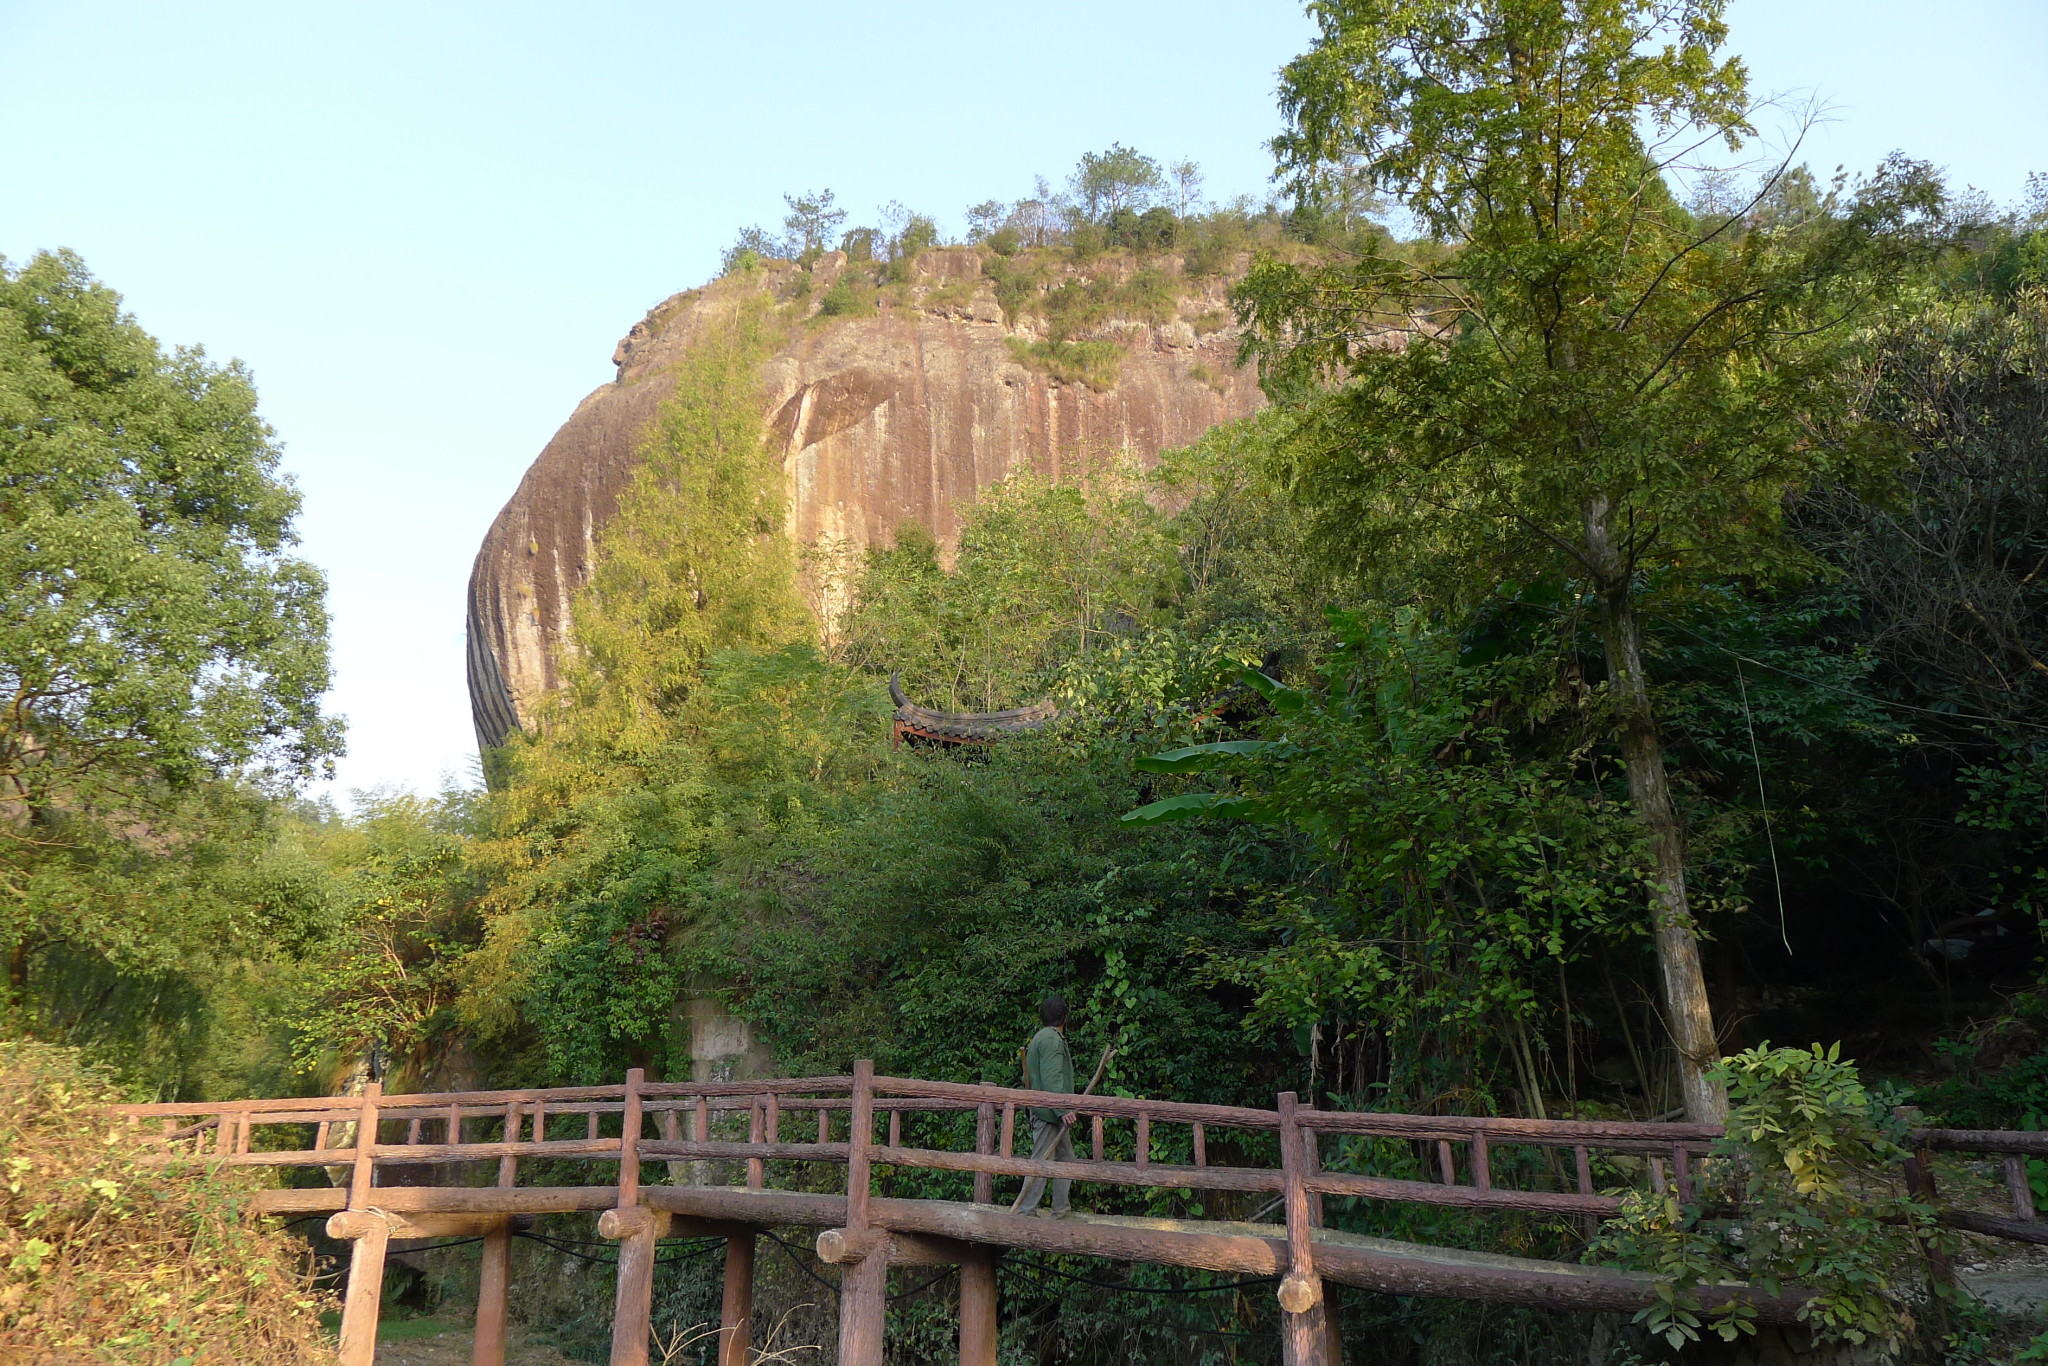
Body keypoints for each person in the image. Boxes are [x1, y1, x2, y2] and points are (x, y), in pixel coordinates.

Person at [1014, 994, 1077, 1217]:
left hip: (1048, 1112)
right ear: (1065, 1018)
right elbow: (1052, 1079)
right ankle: (1026, 1211)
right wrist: (1063, 1110)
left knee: (1065, 1159)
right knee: (1041, 1162)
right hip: (1049, 1113)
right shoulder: (1051, 1040)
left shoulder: (1042, 1037)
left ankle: (1061, 1210)